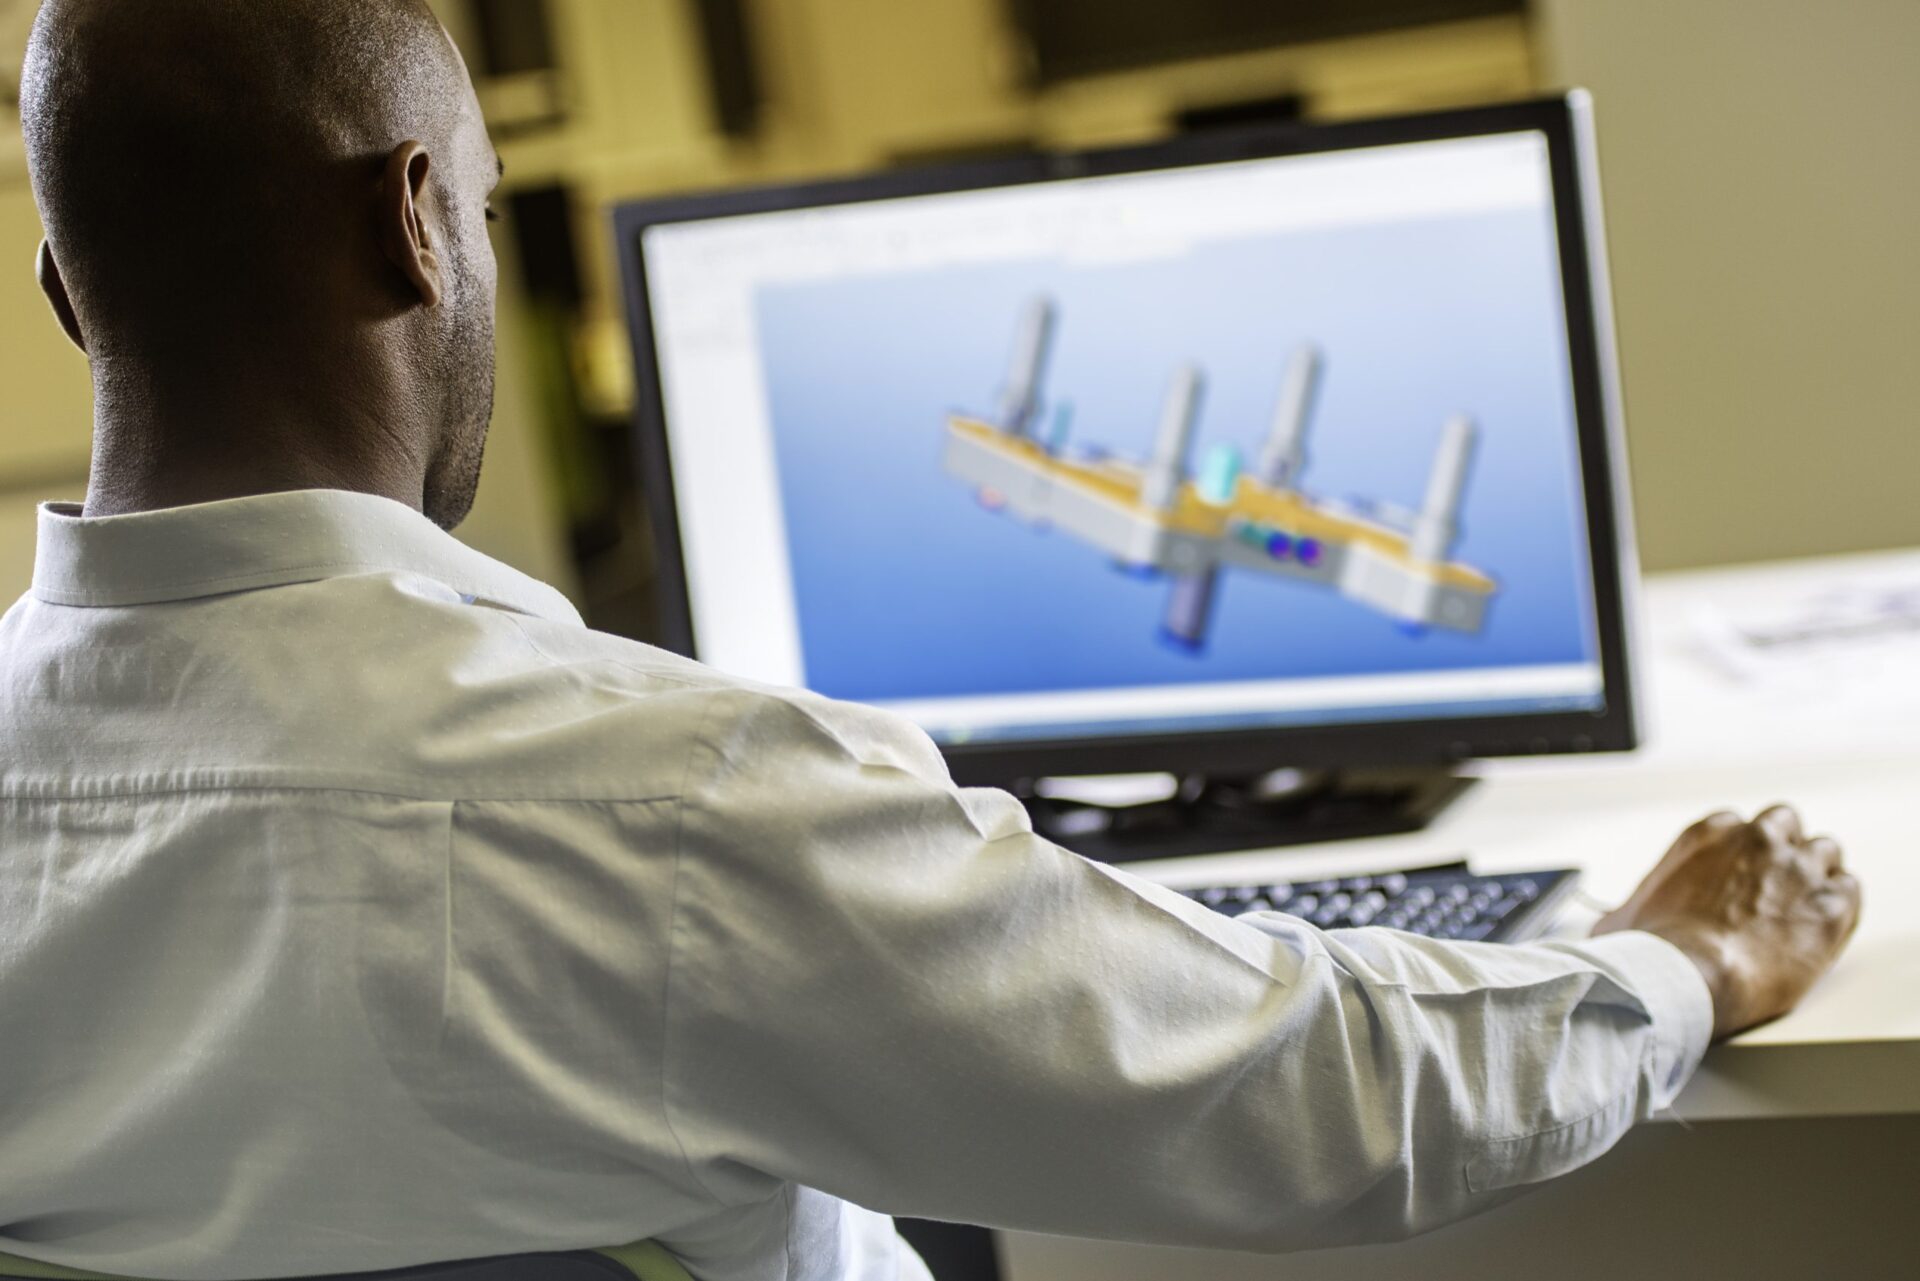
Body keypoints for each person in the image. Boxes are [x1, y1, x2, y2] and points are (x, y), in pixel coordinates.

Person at [0, 2, 1861, 1279]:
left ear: (67, 289)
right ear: (418, 226)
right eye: (484, 208)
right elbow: (1315, 1095)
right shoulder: (667, 798)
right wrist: (1676, 963)